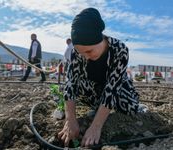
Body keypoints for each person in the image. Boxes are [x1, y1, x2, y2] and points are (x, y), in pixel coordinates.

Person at [58, 8, 139, 147]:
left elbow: (112, 89)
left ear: (100, 39)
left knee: (131, 107)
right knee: (76, 90)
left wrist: (96, 127)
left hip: (116, 86)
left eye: (89, 51)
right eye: (81, 53)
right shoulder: (76, 53)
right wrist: (70, 120)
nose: (86, 57)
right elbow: (71, 84)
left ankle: (106, 110)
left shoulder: (120, 50)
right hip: (92, 87)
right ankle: (97, 108)